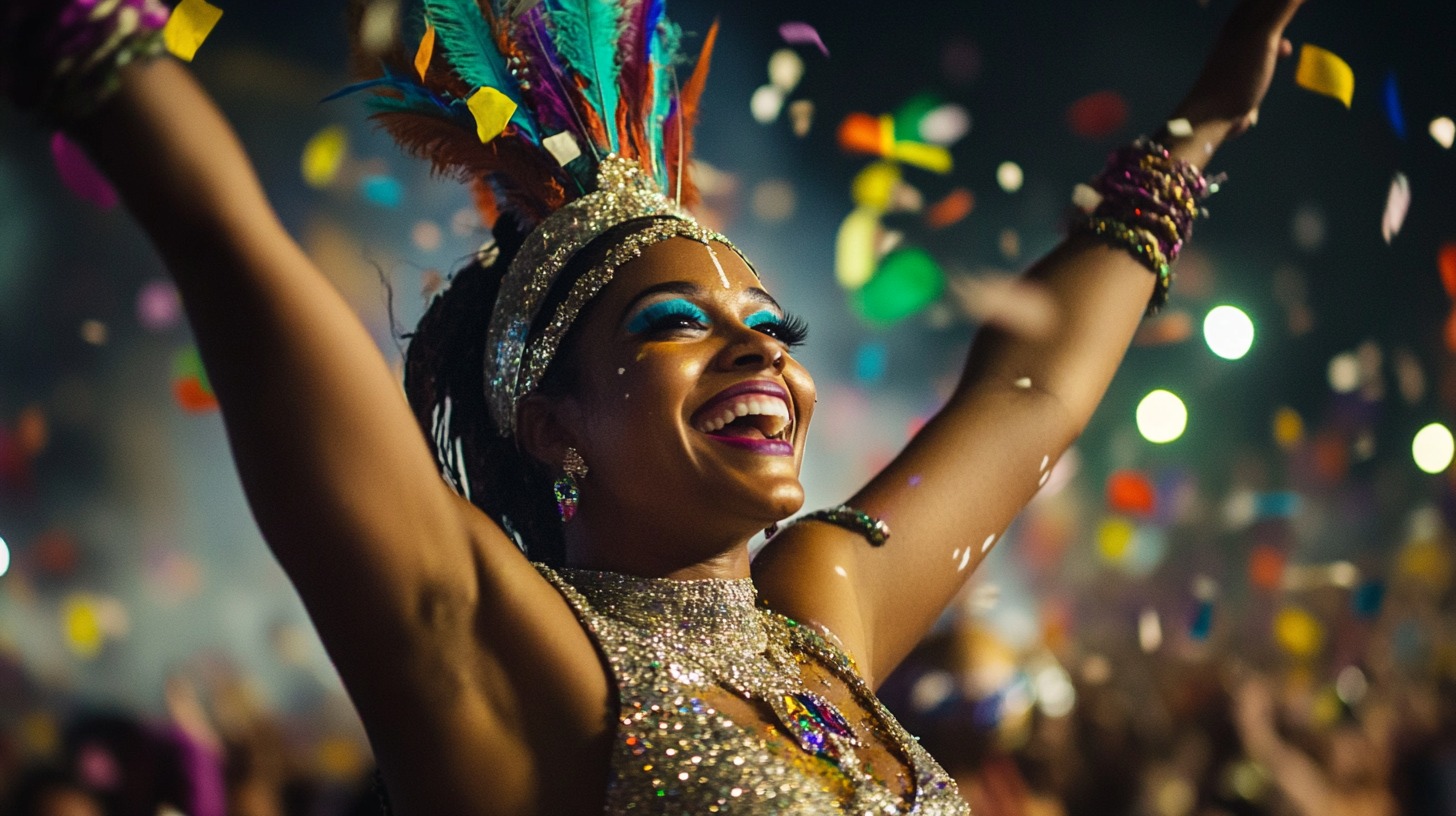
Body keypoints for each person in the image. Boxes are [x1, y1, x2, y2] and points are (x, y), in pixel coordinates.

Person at [0, 0, 1306, 812]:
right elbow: (242, 258)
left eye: (769, 327)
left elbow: (1029, 393)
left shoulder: (814, 616)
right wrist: (92, 55)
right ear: (554, 422)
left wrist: (1197, 129)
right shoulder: (534, 666)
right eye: (679, 326)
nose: (761, 356)